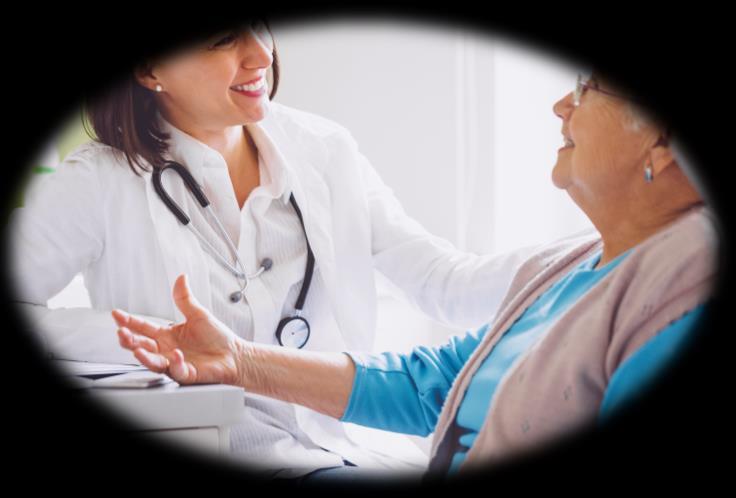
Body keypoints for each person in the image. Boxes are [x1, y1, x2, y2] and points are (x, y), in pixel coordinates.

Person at [111, 70, 718, 484]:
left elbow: (445, 284)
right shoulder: (573, 266)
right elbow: (433, 386)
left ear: (662, 143)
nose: (562, 104)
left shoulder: (682, 286)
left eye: (589, 87)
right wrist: (240, 361)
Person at [7, 21, 533, 479]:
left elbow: (443, 283)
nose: (262, 54)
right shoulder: (99, 180)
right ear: (149, 70)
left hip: (352, 452)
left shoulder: (325, 151)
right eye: (223, 39)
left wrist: (574, 265)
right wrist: (140, 338)